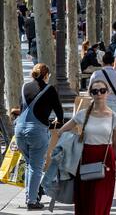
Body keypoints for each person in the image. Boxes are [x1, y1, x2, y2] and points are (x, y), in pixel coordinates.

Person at [58, 80, 116, 215]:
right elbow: (61, 131)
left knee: (100, 201)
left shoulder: (115, 118)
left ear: (108, 93)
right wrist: (72, 145)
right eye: (95, 91)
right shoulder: (82, 114)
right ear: (91, 94)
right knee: (86, 201)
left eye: (102, 91)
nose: (99, 94)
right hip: (85, 158)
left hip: (106, 161)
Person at [15, 64, 64, 210]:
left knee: (30, 165)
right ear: (46, 75)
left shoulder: (24, 87)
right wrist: (58, 122)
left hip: (19, 130)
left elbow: (22, 107)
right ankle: (31, 201)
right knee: (36, 167)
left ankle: (29, 197)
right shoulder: (50, 89)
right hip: (37, 132)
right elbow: (59, 112)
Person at [89, 52, 116, 116]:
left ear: (103, 63)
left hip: (98, 105)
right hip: (115, 107)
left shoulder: (95, 74)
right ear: (113, 63)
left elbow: (90, 92)